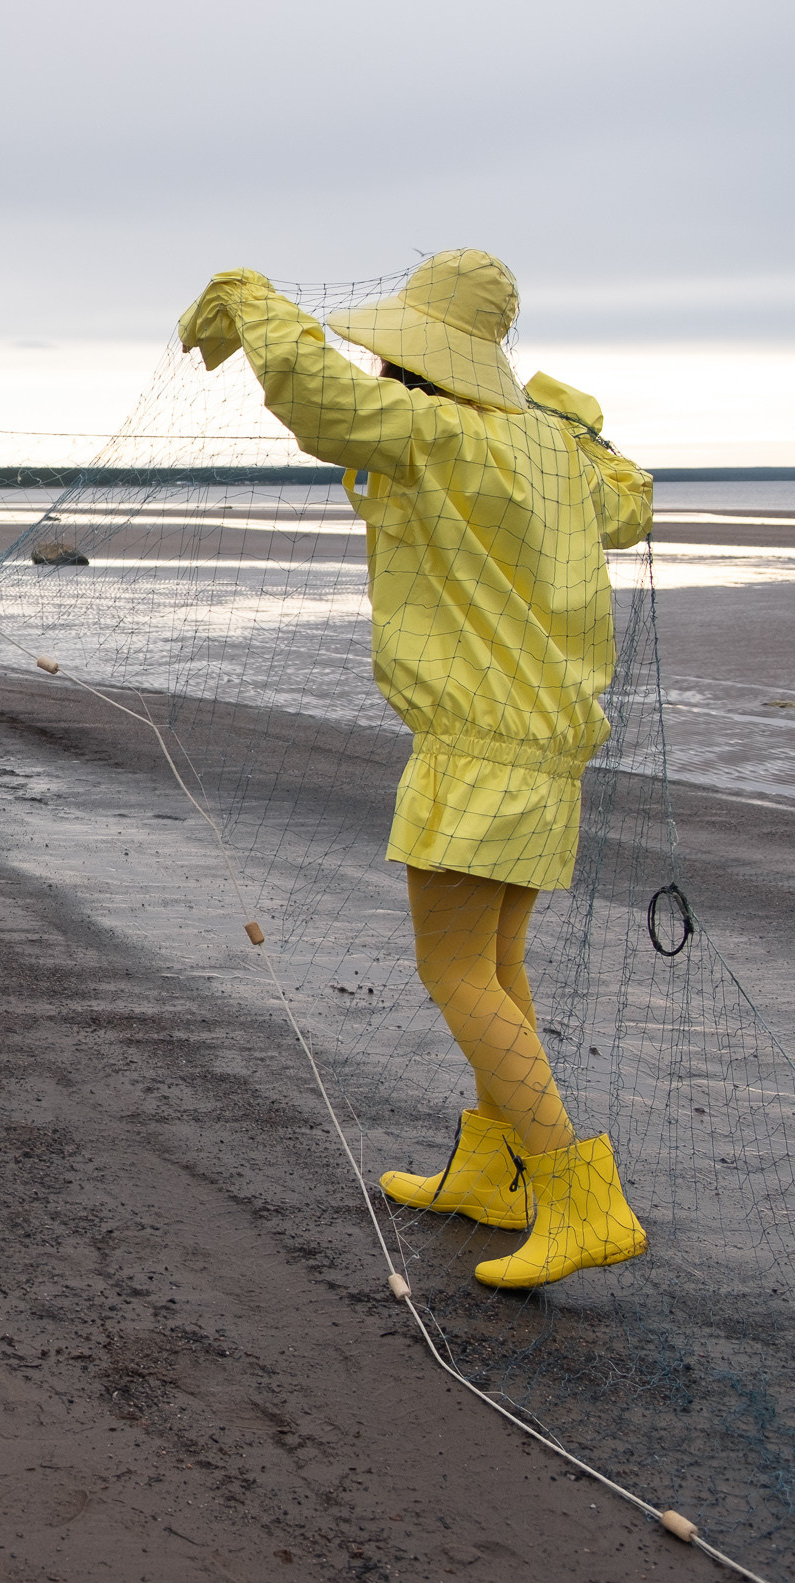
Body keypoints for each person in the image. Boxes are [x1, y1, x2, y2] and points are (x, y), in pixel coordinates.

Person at [177, 250, 655, 1290]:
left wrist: (255, 303)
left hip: (477, 748)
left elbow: (324, 403)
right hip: (549, 747)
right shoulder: (551, 452)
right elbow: (630, 502)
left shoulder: (441, 436)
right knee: (496, 964)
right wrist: (574, 421)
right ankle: (494, 1170)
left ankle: (582, 1197)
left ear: (421, 356)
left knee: (454, 972)